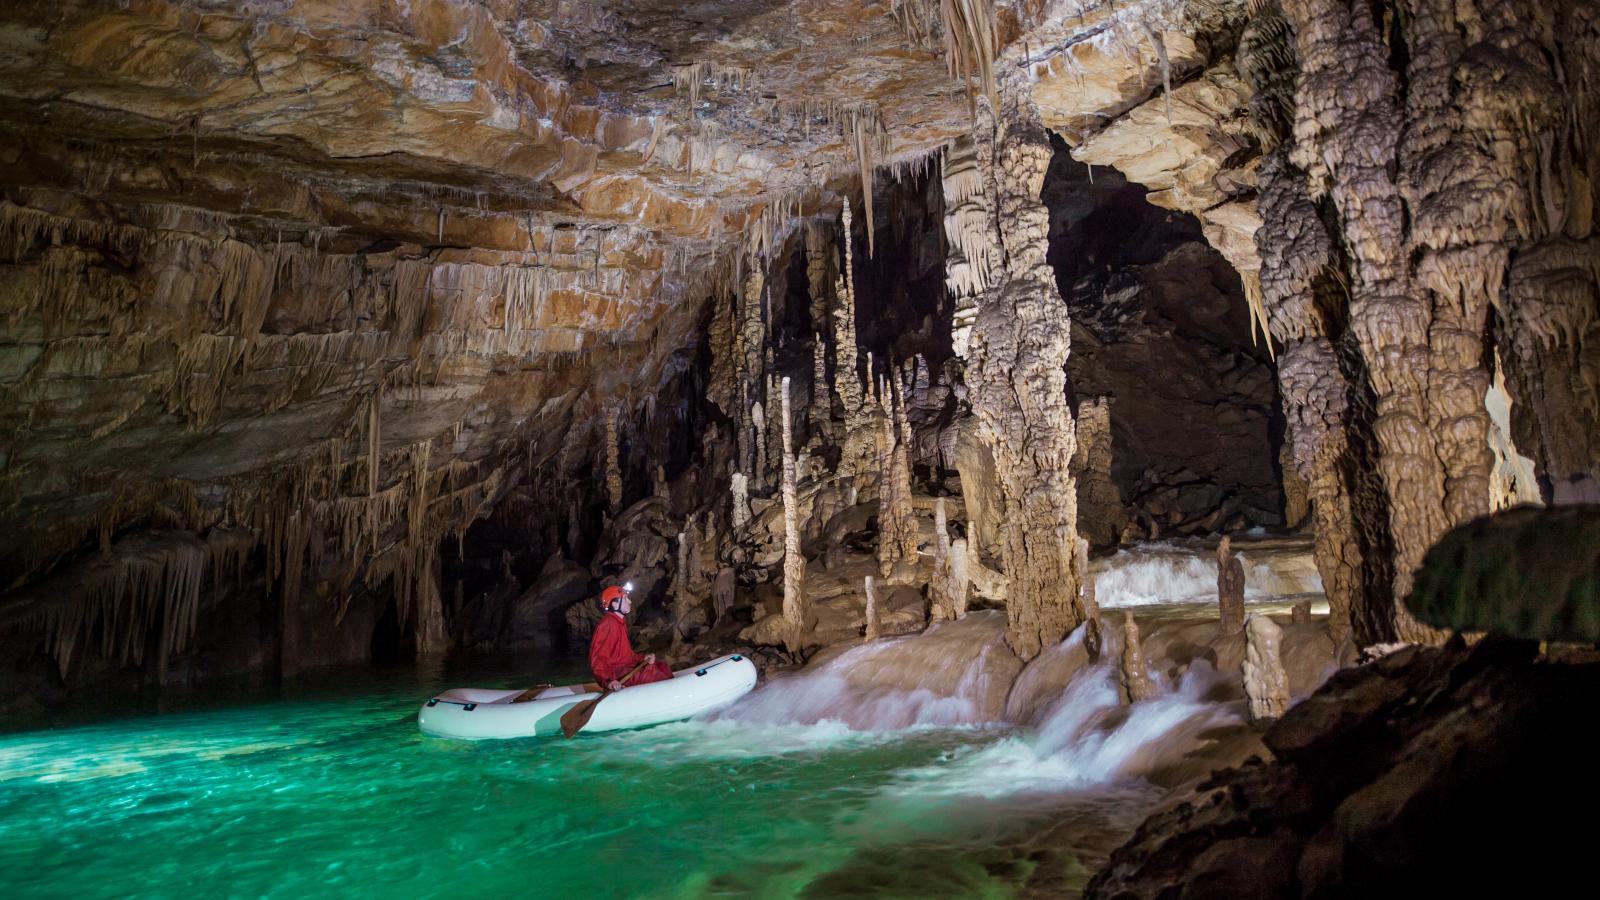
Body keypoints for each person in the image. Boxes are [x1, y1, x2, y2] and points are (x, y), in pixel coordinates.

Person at [589, 583, 673, 690]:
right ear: (614, 604)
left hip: (625, 668)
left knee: (662, 666)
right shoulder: (608, 624)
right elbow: (597, 658)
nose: (630, 601)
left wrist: (643, 658)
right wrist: (608, 681)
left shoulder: (619, 622)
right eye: (625, 598)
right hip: (617, 673)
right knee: (651, 674)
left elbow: (626, 655)